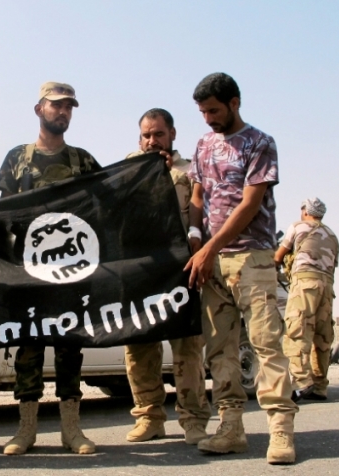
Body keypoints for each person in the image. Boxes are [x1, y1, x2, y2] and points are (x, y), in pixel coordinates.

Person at [184, 72, 298, 464]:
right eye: (203, 112)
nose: (208, 118)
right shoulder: (203, 144)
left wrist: (209, 248)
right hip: (212, 263)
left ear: (234, 103)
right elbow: (197, 194)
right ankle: (230, 428)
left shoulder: (259, 142)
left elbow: (250, 204)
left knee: (266, 344)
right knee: (220, 350)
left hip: (252, 258)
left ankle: (280, 430)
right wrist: (196, 239)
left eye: (214, 110)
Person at [0, 82, 101, 455]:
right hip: (28, 272)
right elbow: (1, 212)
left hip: (72, 271)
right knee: (29, 349)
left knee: (70, 347)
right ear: (39, 109)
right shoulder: (17, 158)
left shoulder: (82, 161)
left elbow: (107, 204)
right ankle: (26, 430)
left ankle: (72, 430)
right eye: (57, 105)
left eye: (69, 107)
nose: (63, 112)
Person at [123, 108, 211, 444]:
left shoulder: (189, 171)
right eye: (146, 135)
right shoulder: (126, 171)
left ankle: (193, 419)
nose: (152, 141)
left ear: (172, 134)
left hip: (180, 271)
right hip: (140, 271)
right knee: (139, 346)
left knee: (188, 347)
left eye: (158, 134)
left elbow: (204, 214)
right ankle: (149, 417)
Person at [274, 198, 339, 401]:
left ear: (305, 211)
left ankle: (301, 382)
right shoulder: (332, 235)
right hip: (327, 286)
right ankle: (320, 386)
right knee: (322, 336)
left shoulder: (297, 226)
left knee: (297, 331)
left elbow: (278, 256)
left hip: (304, 283)